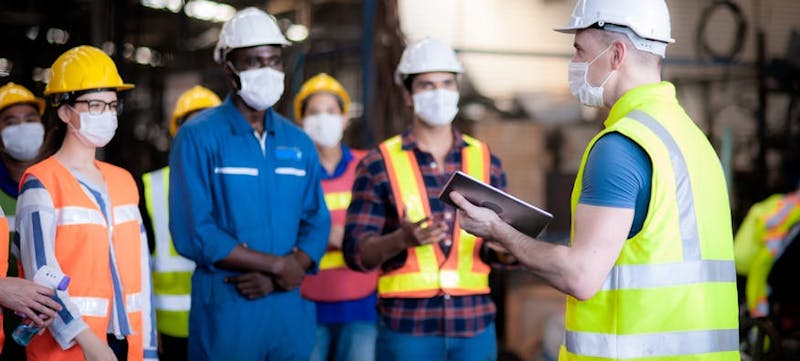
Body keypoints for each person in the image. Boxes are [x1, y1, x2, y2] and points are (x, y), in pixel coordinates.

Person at [450, 0, 741, 360]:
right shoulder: (692, 141)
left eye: (579, 51)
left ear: (616, 54)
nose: (574, 64)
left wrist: (498, 231)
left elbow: (580, 276)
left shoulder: (621, 147)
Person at [168, 7, 330, 361]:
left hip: (288, 311)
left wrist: (285, 272)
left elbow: (317, 219)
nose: (267, 71)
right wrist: (276, 266)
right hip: (230, 309)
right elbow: (196, 231)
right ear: (229, 69)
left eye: (274, 60)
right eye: (254, 61)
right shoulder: (198, 137)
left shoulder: (297, 141)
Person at [343, 37, 510, 361]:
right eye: (427, 85)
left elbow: (501, 248)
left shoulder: (487, 160)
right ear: (407, 94)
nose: (439, 94)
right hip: (407, 330)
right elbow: (357, 253)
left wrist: (506, 247)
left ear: (458, 88)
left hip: (474, 327)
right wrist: (401, 239)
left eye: (447, 83)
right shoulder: (379, 163)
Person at [16, 45, 158, 361]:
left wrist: (148, 350)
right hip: (71, 349)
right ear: (65, 111)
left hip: (126, 345)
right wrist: (90, 343)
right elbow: (42, 277)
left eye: (111, 105)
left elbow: (141, 278)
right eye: (95, 105)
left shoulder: (124, 181)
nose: (106, 114)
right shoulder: (41, 182)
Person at [295, 73, 378, 361]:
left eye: (331, 112)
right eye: (314, 112)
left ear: (345, 119)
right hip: (306, 303)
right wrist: (324, 235)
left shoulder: (368, 165)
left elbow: (385, 224)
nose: (323, 119)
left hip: (362, 305)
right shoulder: (292, 172)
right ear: (301, 122)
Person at [142, 85, 221, 361]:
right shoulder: (149, 187)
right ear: (178, 132)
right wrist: (148, 326)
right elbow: (137, 268)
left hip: (226, 320)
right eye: (193, 125)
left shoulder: (237, 179)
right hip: (171, 328)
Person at [0, 82, 59, 359]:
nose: (23, 127)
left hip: (51, 327)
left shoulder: (58, 182)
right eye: (11, 122)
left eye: (30, 119)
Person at [734, 184, 800, 317]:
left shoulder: (781, 202)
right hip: (753, 264)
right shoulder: (790, 211)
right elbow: (759, 269)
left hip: (747, 260)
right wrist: (757, 309)